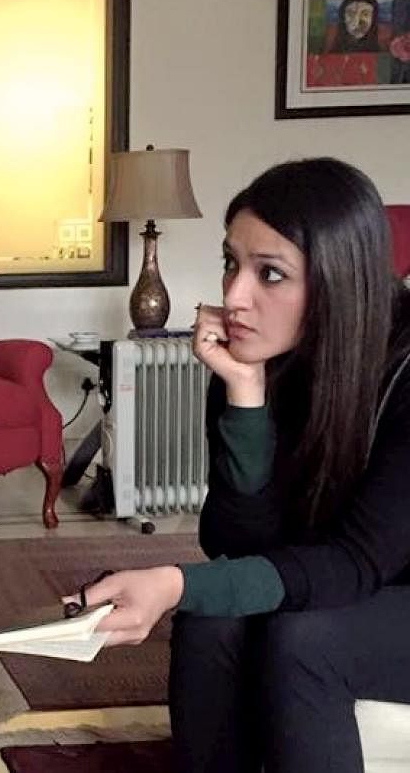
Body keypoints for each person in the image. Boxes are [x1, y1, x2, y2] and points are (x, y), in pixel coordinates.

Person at [69, 158, 410, 772]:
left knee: (302, 642)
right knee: (210, 622)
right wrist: (245, 399)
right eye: (232, 262)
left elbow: (355, 563)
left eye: (270, 274)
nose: (233, 297)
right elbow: (234, 542)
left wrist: (174, 583)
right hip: (348, 584)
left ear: (338, 281)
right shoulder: (256, 358)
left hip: (388, 591)